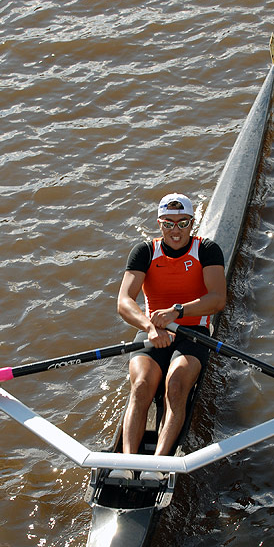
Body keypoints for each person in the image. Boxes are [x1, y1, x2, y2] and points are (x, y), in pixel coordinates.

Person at [112, 193, 226, 482]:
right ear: (159, 224)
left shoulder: (208, 251)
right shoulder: (145, 252)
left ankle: (158, 466)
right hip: (154, 331)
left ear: (192, 223)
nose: (175, 230)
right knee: (140, 385)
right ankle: (127, 465)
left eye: (183, 223)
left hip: (194, 331)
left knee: (175, 385)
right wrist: (149, 327)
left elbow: (217, 300)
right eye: (168, 224)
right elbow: (124, 301)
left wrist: (177, 311)